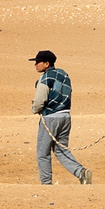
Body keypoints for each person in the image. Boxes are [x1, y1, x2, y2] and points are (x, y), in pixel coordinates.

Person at [30, 50, 92, 185]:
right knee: (61, 149)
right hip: (66, 117)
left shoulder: (46, 78)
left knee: (43, 152)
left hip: (51, 118)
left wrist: (35, 109)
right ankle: (81, 172)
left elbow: (40, 100)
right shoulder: (64, 75)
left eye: (38, 62)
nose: (35, 65)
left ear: (47, 64)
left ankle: (46, 184)